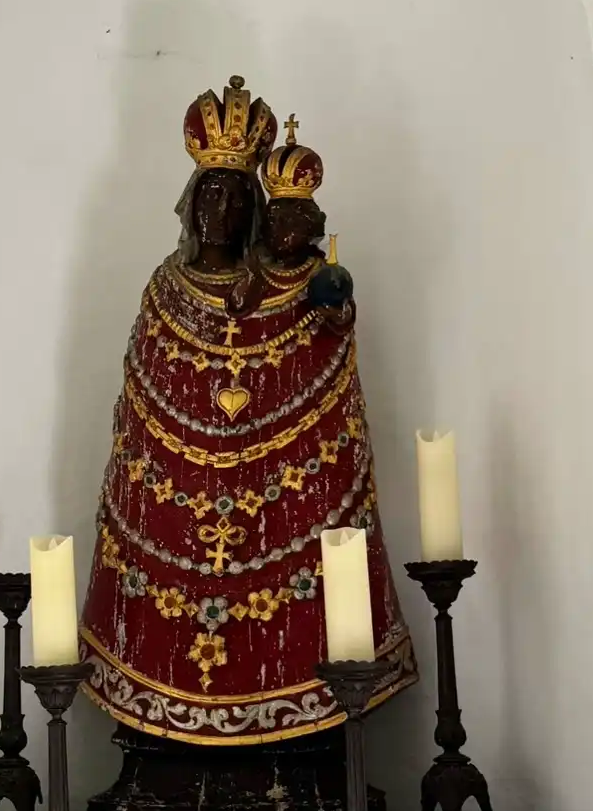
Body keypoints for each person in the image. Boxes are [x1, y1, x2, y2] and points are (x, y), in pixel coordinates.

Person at [80, 84, 415, 771]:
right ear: (191, 201)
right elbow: (144, 397)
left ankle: (302, 725)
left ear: (258, 210)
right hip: (173, 508)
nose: (223, 210)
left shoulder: (293, 286)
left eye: (237, 196)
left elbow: (326, 361)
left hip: (281, 501)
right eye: (211, 194)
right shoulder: (164, 289)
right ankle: (160, 730)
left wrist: (331, 317)